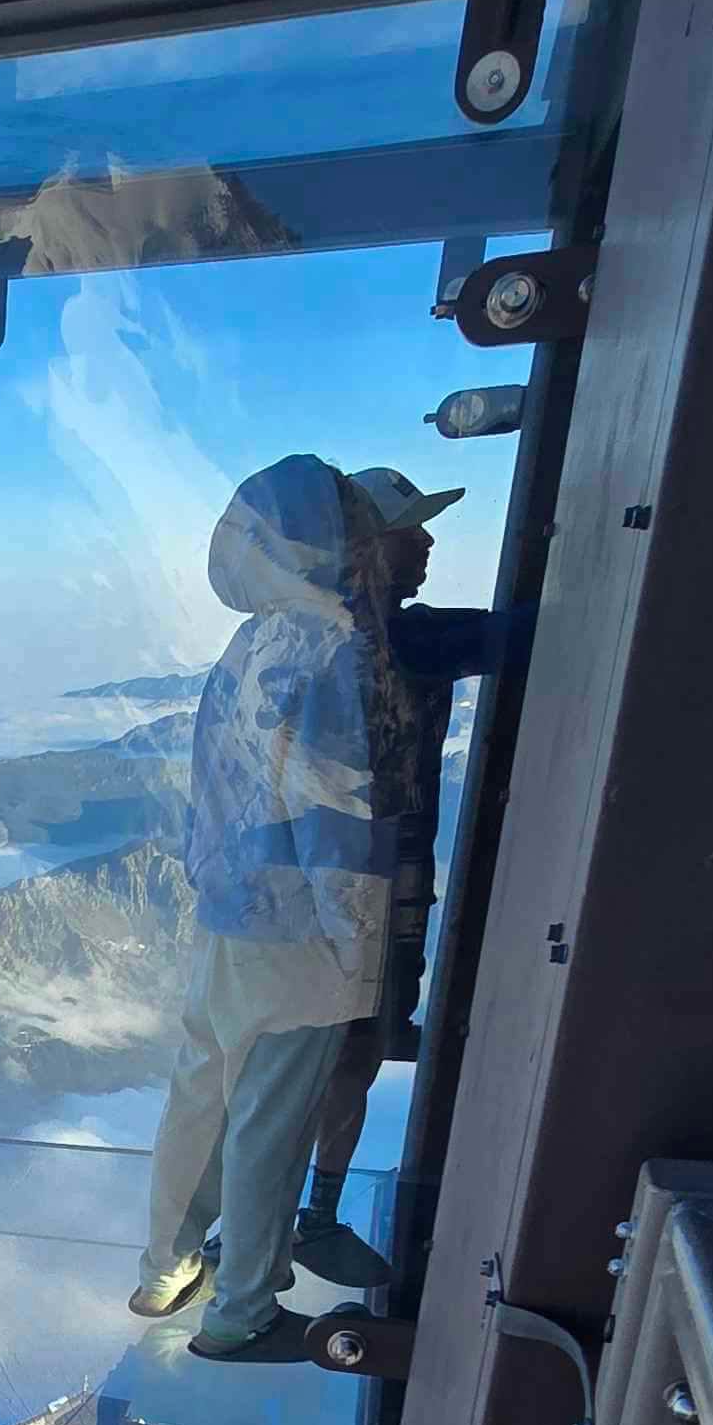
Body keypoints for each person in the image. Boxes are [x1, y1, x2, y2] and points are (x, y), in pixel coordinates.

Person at [129, 455, 395, 1361]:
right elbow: (335, 811)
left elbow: (210, 786)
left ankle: (165, 1265)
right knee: (273, 1124)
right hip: (297, 928)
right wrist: (356, 941)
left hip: (229, 908)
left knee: (202, 1094)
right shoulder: (329, 650)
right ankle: (242, 1312)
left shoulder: (248, 646)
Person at [284, 463, 519, 1284]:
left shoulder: (317, 638)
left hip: (330, 884)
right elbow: (522, 634)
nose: (426, 541)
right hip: (371, 890)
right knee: (354, 1045)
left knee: (341, 1043)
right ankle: (303, 1218)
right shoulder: (399, 641)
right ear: (367, 548)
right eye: (407, 530)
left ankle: (277, 1217)